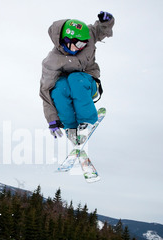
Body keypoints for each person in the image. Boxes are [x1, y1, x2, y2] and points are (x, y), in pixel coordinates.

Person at [40, 11, 115, 144]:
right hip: (68, 89)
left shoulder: (87, 38)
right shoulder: (51, 61)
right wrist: (52, 119)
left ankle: (86, 122)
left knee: (75, 78)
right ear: (67, 41)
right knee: (59, 88)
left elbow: (100, 29)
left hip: (88, 84)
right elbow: (45, 90)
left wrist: (106, 21)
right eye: (79, 44)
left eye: (85, 44)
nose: (82, 47)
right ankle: (71, 128)